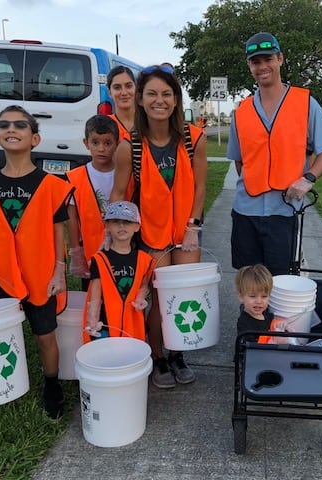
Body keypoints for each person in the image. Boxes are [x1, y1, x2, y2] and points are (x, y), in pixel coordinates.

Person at [0, 105, 73, 418]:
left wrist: (59, 270)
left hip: (40, 274)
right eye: (4, 125)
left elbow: (57, 231)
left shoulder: (51, 185)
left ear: (34, 138)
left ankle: (52, 384)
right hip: (2, 274)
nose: (12, 129)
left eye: (20, 125)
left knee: (45, 335)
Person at [110, 63, 207, 389]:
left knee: (183, 296)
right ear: (140, 99)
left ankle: (177, 353)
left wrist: (193, 226)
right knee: (158, 297)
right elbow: (119, 193)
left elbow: (200, 187)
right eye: (151, 93)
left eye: (167, 93)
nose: (159, 100)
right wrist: (116, 232)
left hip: (185, 233)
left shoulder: (194, 139)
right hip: (151, 236)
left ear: (177, 100)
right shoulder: (130, 146)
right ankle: (158, 357)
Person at [227, 32, 322, 276]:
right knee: (249, 281)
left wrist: (307, 179)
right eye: (256, 62)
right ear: (250, 66)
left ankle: (280, 317)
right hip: (246, 210)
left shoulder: (305, 103)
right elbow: (240, 161)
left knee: (281, 281)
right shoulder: (241, 112)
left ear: (280, 59)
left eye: (268, 59)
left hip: (284, 210)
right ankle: (250, 317)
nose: (262, 67)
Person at [67, 115, 125, 289]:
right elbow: (71, 217)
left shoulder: (125, 175)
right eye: (95, 142)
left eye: (108, 143)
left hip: (122, 250)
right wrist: (76, 251)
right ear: (86, 143)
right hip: (90, 252)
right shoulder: (75, 177)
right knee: (93, 298)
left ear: (117, 143)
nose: (101, 149)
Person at [84, 200, 154, 342]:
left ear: (136, 226)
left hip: (132, 324)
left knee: (130, 360)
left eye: (127, 222)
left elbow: (143, 284)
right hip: (105, 325)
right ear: (108, 225)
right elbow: (95, 294)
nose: (121, 226)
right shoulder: (100, 259)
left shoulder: (144, 260)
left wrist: (141, 297)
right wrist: (92, 320)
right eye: (116, 221)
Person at [235, 264, 275, 343]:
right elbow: (251, 348)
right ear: (241, 297)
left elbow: (272, 321)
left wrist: (279, 324)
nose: (259, 301)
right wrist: (272, 342)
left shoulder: (265, 313)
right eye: (252, 296)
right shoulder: (244, 323)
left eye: (264, 296)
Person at [107, 65, 136, 142]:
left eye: (128, 86)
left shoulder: (149, 123)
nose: (124, 92)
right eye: (117, 87)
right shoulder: (105, 126)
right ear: (109, 93)